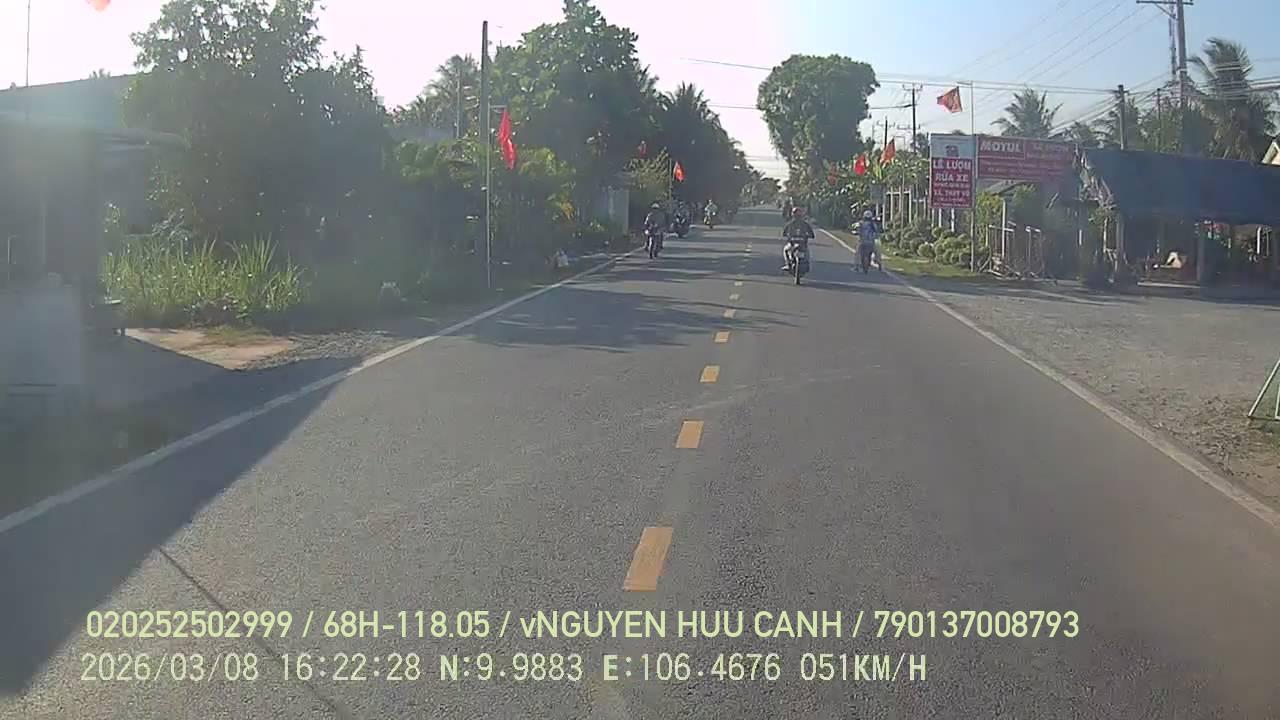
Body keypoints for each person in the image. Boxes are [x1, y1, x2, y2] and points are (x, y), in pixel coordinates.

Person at [781, 206, 814, 271]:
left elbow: (784, 233)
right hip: (799, 244)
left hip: (795, 244)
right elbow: (812, 234)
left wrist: (788, 235)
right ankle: (790, 264)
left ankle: (788, 264)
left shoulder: (790, 224)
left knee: (786, 250)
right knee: (806, 252)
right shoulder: (804, 224)